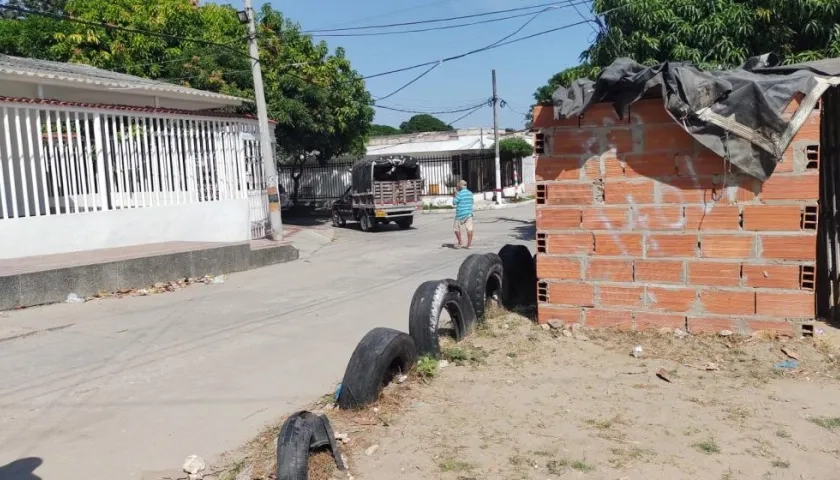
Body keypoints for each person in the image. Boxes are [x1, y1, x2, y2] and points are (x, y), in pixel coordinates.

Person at [452, 179, 474, 249]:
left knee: (456, 228)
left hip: (460, 214)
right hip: (469, 214)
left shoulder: (459, 194)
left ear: (460, 186)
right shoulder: (470, 193)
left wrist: (455, 195)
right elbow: (472, 202)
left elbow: (454, 202)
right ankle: (469, 245)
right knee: (469, 229)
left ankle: (460, 242)